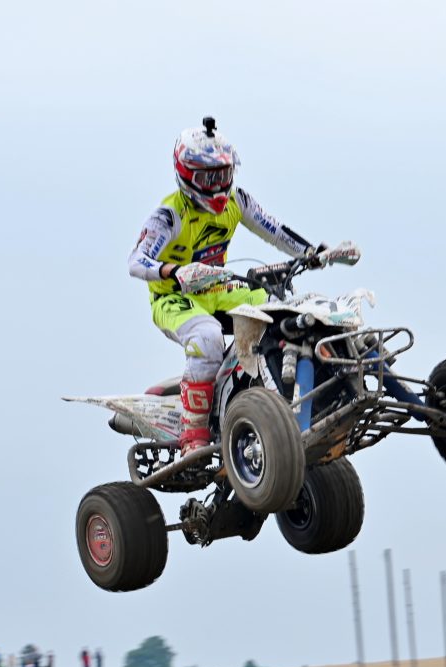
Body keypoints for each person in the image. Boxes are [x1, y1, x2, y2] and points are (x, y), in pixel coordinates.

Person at [128, 117, 325, 454]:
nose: (218, 185)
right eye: (209, 177)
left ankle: (279, 391)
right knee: (207, 338)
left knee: (282, 308)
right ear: (187, 175)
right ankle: (194, 435)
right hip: (173, 297)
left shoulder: (237, 200)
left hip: (217, 288)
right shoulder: (169, 215)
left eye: (223, 174)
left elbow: (274, 229)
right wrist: (175, 271)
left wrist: (311, 252)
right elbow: (136, 261)